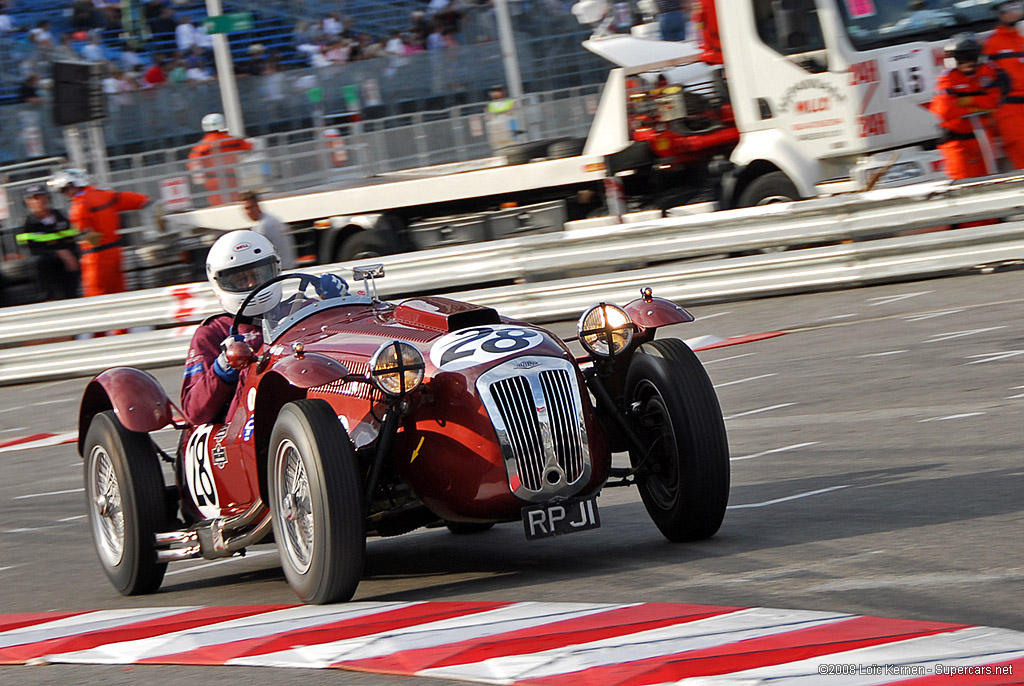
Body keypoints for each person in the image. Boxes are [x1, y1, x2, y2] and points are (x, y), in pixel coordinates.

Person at [181, 230, 279, 424]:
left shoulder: (300, 308)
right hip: (241, 424)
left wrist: (336, 303)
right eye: (242, 279)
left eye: (258, 275)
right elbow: (194, 411)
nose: (253, 284)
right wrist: (224, 366)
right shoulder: (212, 332)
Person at [47, 168, 151, 299]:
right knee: (120, 295)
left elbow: (86, 235)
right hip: (116, 252)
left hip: (96, 257)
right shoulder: (106, 195)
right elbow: (141, 200)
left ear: (76, 184)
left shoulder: (79, 205)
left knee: (96, 299)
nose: (65, 194)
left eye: (65, 189)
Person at [928, 33, 1004, 180]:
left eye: (972, 57)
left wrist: (966, 101)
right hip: (959, 146)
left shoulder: (986, 74)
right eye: (964, 58)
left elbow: (994, 102)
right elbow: (945, 111)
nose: (969, 62)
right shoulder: (947, 79)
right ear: (955, 59)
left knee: (992, 182)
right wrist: (976, 108)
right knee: (965, 186)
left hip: (984, 141)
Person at [16, 184, 80, 300]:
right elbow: (30, 252)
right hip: (45, 271)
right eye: (32, 198)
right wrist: (58, 253)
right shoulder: (27, 225)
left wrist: (69, 254)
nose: (37, 201)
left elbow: (72, 241)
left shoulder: (61, 218)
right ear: (27, 203)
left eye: (39, 197)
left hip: (67, 269)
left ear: (47, 198)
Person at [983, 0, 1024, 170]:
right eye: (1008, 8)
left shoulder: (1020, 39)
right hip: (1009, 109)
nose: (1014, 12)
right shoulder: (992, 44)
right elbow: (985, 80)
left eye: (1017, 7)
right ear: (998, 13)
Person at [188, 113, 254, 206]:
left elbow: (194, 165)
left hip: (212, 181)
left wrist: (201, 179)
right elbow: (250, 146)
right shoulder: (232, 140)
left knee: (218, 206)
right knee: (234, 204)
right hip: (231, 178)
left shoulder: (200, 147)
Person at [240, 189, 297, 269]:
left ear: (257, 206)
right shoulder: (273, 220)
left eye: (249, 208)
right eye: (245, 209)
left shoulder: (263, 227)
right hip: (289, 267)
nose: (247, 212)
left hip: (280, 271)